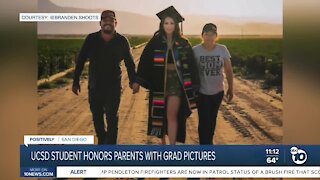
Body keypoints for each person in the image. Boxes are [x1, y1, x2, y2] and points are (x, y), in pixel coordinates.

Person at [72, 10, 140, 145]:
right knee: (97, 118)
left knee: (112, 118)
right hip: (95, 86)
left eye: (111, 20)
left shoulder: (121, 41)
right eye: (105, 20)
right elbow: (80, 61)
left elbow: (129, 63)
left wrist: (133, 81)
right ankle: (102, 143)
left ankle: (110, 150)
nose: (108, 23)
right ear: (100, 23)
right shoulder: (91, 39)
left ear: (115, 23)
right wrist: (76, 81)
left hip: (113, 86)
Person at [136, 6, 200, 145]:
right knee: (161, 115)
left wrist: (195, 85)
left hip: (176, 83)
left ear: (176, 25)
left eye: (172, 23)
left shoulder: (183, 43)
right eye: (166, 23)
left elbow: (192, 64)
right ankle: (163, 145)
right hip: (159, 83)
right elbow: (145, 61)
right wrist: (138, 80)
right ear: (162, 24)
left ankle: (172, 148)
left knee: (172, 115)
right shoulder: (155, 42)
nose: (169, 26)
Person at [193, 23, 234, 144]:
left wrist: (231, 88)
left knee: (212, 120)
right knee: (204, 120)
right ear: (202, 35)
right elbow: (189, 71)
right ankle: (205, 147)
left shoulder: (222, 49)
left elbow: (228, 70)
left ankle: (208, 144)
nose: (209, 37)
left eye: (212, 34)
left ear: (216, 36)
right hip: (202, 92)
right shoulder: (195, 50)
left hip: (218, 92)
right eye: (207, 34)